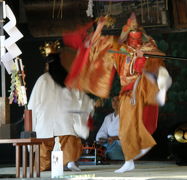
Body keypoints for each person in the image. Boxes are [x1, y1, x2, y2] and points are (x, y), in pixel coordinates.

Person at [63, 13, 172, 173]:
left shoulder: (147, 46)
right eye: (130, 30)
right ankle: (131, 158)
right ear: (126, 32)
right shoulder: (120, 48)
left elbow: (158, 55)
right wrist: (100, 26)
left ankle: (160, 85)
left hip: (141, 87)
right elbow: (94, 45)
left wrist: (145, 58)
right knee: (127, 126)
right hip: (127, 92)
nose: (134, 35)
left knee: (154, 69)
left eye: (137, 32)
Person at [28, 43, 94, 172]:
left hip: (44, 128)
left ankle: (54, 164)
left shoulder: (42, 79)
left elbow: (32, 105)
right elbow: (79, 102)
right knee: (69, 139)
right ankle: (70, 161)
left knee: (42, 164)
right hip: (65, 126)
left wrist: (31, 127)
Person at [96, 96, 124, 160]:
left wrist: (115, 138)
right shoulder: (108, 117)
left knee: (112, 148)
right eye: (113, 100)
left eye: (117, 100)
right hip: (109, 143)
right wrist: (102, 139)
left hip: (122, 144)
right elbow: (102, 132)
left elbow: (130, 134)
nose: (115, 103)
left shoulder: (127, 116)